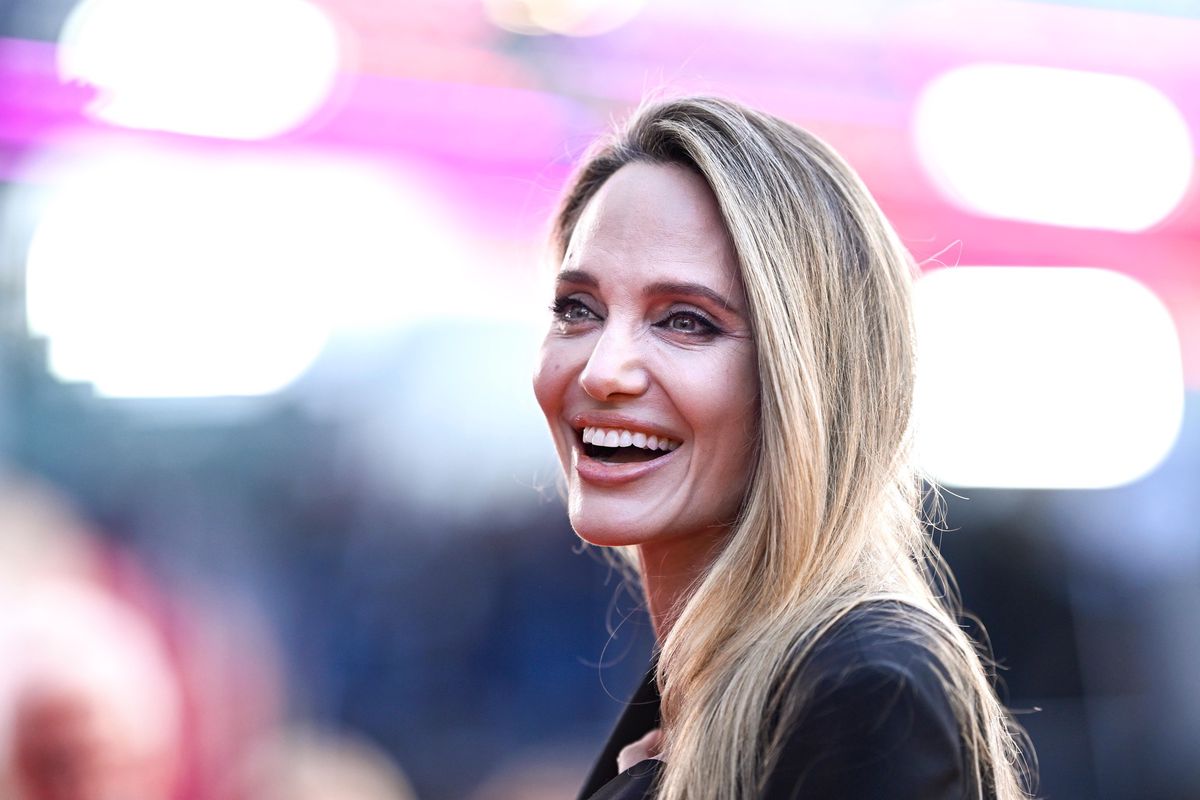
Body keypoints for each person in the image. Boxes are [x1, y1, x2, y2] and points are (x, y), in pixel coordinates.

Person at [531, 96, 1036, 800]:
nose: (602, 370)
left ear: (813, 378)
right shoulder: (709, 697)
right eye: (577, 309)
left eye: (685, 321)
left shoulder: (863, 689)